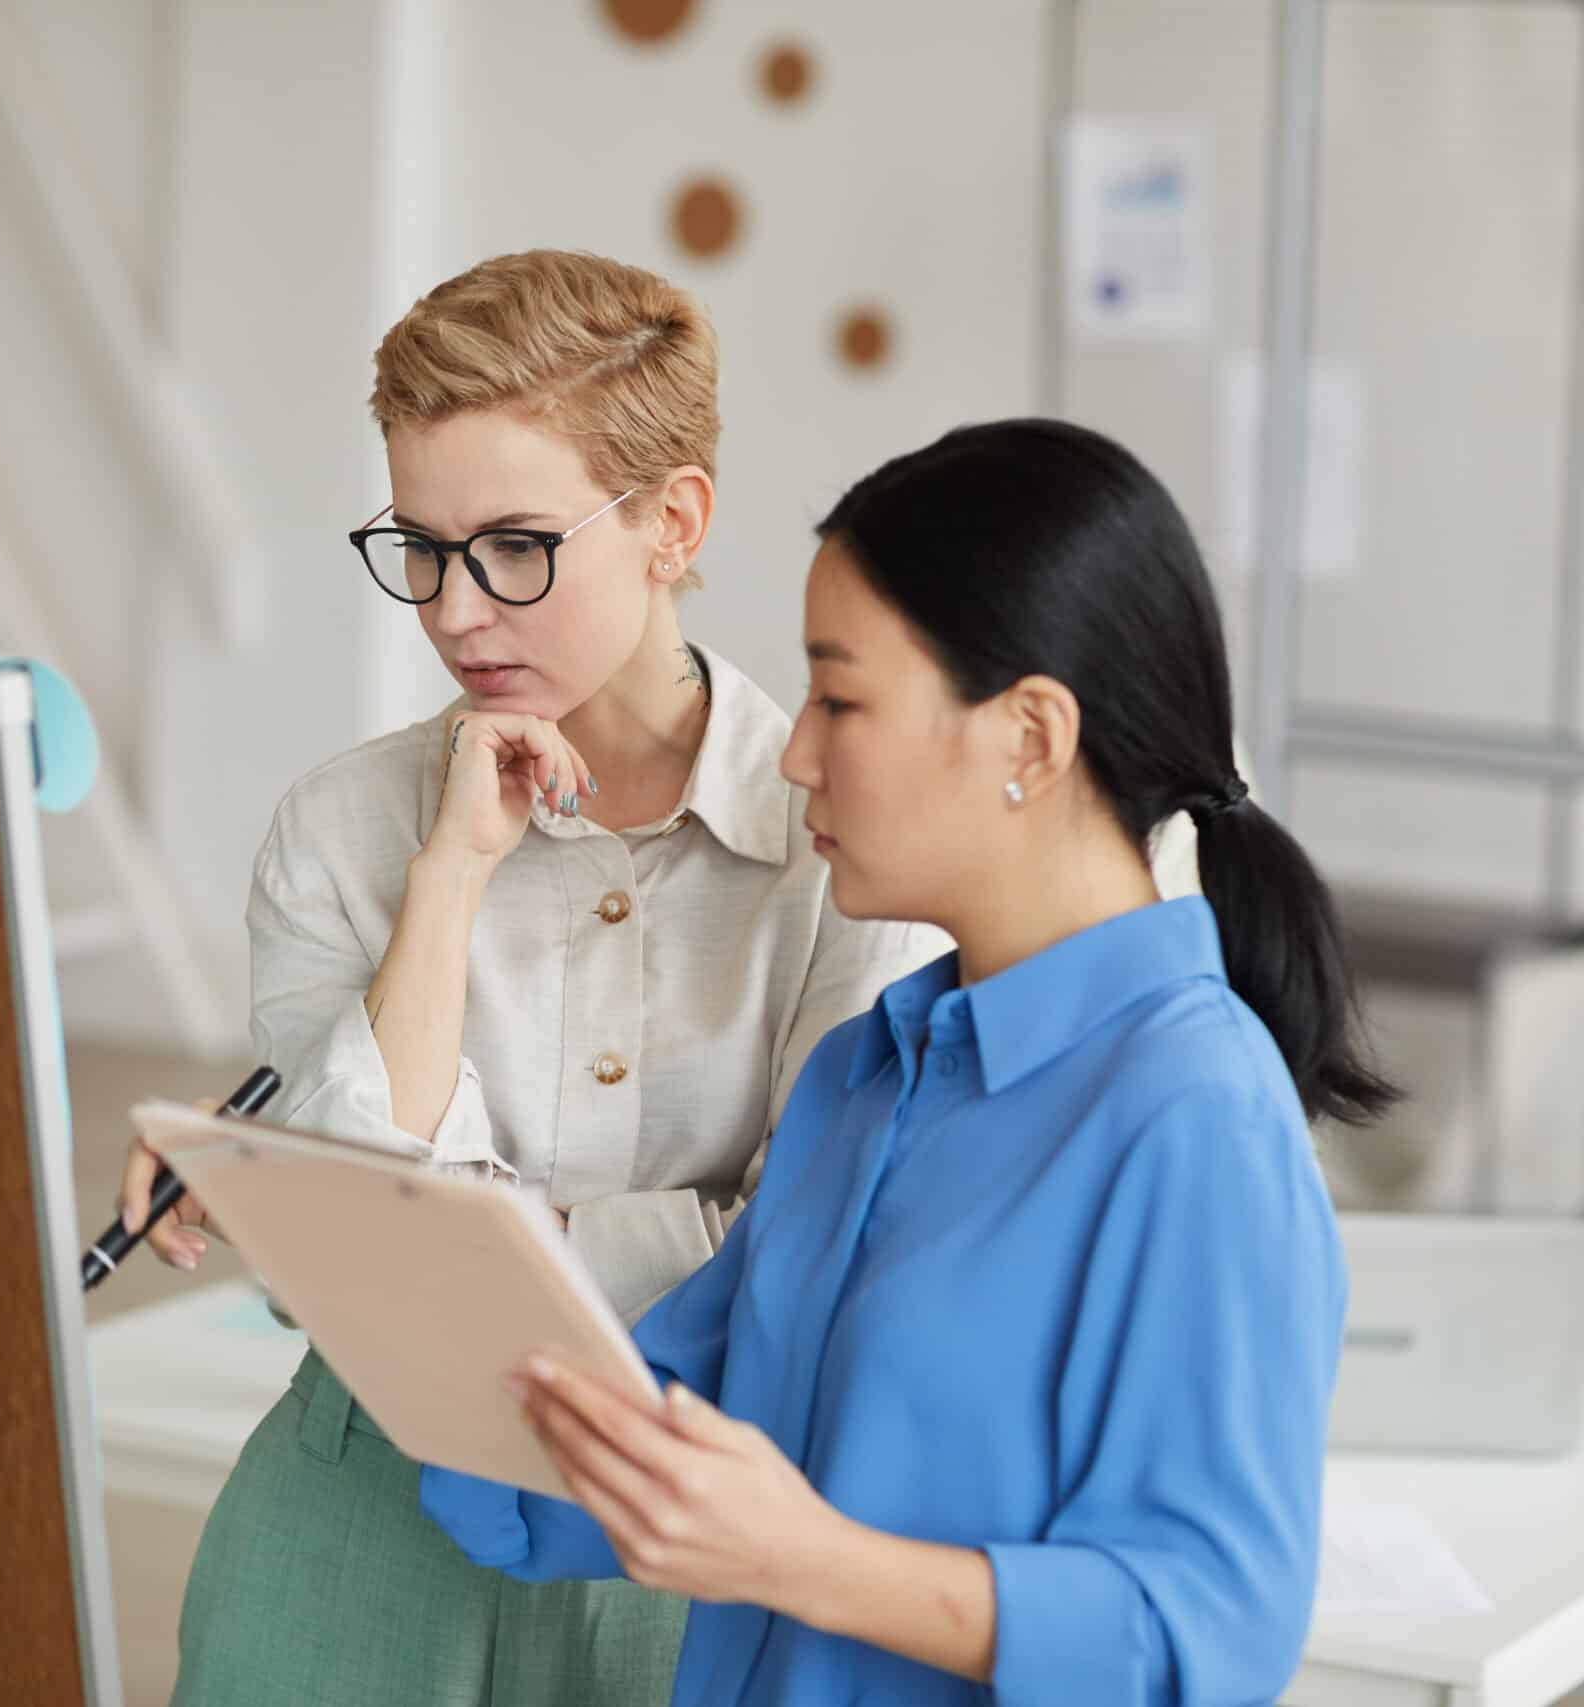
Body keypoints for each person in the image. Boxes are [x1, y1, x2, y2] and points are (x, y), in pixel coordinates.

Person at [421, 417, 1399, 1705]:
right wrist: (324, 1217)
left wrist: (808, 1560)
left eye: (843, 696)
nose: (794, 750)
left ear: (1030, 739)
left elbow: (1201, 1637)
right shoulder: (861, 1080)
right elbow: (631, 1435)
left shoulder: (1195, 1121)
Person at [116, 249, 943, 1705]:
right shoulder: (342, 831)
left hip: (691, 1540)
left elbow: (810, 1264)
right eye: (421, 550)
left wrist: (451, 1226)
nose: (452, 611)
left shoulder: (847, 846)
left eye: (513, 547)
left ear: (672, 523)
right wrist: (450, 876)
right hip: (347, 1526)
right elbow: (349, 1283)